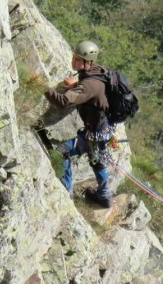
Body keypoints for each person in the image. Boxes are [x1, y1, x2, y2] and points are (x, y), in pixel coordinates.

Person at [44, 40, 113, 208]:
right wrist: (76, 85)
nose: (73, 62)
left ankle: (67, 192)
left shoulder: (89, 84)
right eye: (73, 57)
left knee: (63, 152)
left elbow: (62, 101)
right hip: (103, 128)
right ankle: (104, 196)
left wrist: (42, 86)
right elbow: (92, 91)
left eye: (77, 59)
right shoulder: (97, 72)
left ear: (88, 62)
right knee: (97, 158)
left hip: (95, 131)